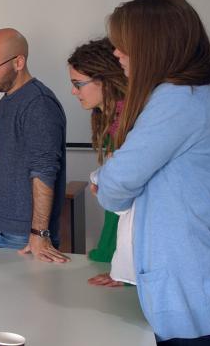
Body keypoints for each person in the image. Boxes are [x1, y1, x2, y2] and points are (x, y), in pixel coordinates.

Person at [96, 0, 210, 344]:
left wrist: (112, 181)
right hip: (195, 287)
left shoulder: (177, 100)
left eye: (124, 45)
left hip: (193, 295)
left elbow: (115, 186)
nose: (116, 54)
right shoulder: (196, 96)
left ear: (153, 46)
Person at [0, 28, 68, 263]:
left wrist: (39, 233)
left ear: (19, 62)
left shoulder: (39, 104)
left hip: (24, 237)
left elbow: (44, 170)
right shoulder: (4, 104)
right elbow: (3, 162)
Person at [67, 38, 130, 287]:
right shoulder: (111, 119)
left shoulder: (133, 121)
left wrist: (124, 270)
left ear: (105, 80)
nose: (73, 91)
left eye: (78, 84)